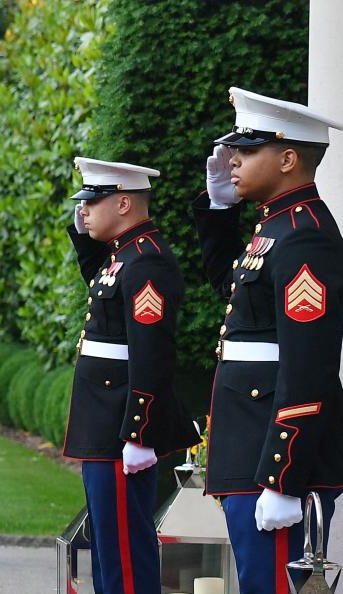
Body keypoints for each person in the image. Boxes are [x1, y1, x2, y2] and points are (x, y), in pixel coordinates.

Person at [193, 87, 343, 594]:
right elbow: (229, 286)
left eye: (247, 149)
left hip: (273, 457)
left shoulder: (305, 235)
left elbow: (309, 363)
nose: (232, 159)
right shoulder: (275, 229)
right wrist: (217, 209)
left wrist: (283, 473)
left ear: (287, 158)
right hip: (250, 446)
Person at [65, 157, 199, 594]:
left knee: (124, 553)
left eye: (92, 201)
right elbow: (102, 290)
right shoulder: (125, 256)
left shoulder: (146, 262)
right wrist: (84, 239)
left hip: (120, 425)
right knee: (108, 550)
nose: (83, 210)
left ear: (123, 203)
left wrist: (139, 433)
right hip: (105, 423)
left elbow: (152, 355)